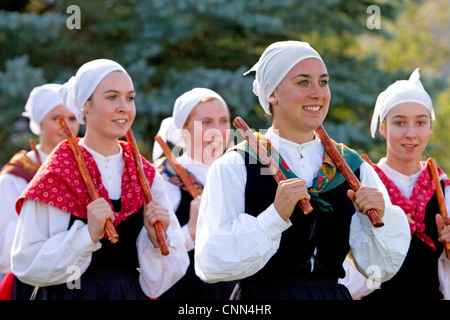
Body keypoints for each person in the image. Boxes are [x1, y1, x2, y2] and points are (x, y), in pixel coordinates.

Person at [194, 40, 411, 300]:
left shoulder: (353, 167)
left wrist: (379, 218)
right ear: (271, 93)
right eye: (303, 82)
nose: (318, 93)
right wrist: (274, 217)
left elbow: (381, 269)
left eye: (323, 81)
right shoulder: (237, 165)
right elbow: (210, 264)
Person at [11, 59, 189, 300]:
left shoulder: (145, 176)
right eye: (112, 97)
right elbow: (26, 263)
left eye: (130, 97)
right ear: (85, 105)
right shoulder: (57, 173)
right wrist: (87, 236)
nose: (124, 107)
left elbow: (165, 278)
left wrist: (156, 241)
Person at [341, 68, 450, 300]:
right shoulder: (363, 185)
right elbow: (346, 275)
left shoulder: (443, 188)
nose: (411, 134)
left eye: (421, 122)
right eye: (399, 123)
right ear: (383, 128)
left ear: (430, 127)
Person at [153, 87, 236, 299]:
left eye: (224, 121)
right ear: (183, 130)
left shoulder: (237, 173)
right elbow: (149, 253)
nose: (217, 131)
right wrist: (190, 231)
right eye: (206, 122)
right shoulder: (163, 178)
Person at [0, 84, 80, 299]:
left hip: (82, 277)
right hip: (33, 283)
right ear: (39, 123)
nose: (67, 126)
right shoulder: (16, 177)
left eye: (72, 119)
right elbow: (3, 251)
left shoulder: (88, 169)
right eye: (56, 119)